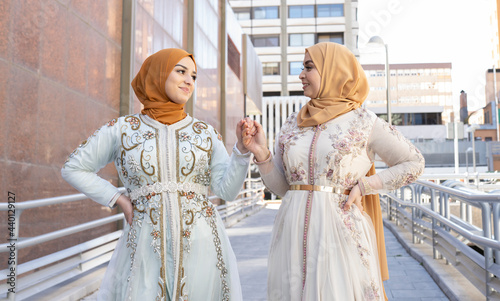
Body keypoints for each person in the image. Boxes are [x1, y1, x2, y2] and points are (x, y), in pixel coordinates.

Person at [61, 48, 253, 301]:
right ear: (158, 73)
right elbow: (73, 168)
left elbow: (227, 190)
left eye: (194, 76)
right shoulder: (123, 130)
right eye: (181, 71)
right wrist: (117, 199)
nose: (189, 81)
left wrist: (240, 150)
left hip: (201, 247)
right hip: (145, 248)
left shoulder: (204, 133)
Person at [242, 42, 425, 300]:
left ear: (333, 71)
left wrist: (365, 186)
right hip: (293, 233)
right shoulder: (291, 123)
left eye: (309, 67)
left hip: (340, 231)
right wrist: (262, 154)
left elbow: (414, 162)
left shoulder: (363, 121)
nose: (300, 75)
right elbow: (284, 188)